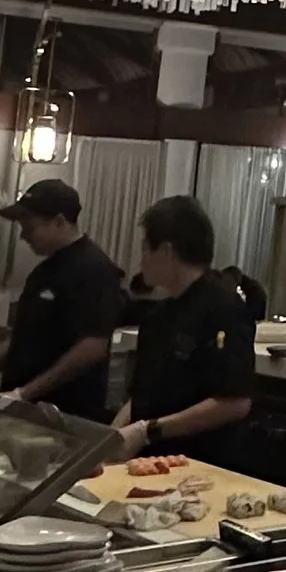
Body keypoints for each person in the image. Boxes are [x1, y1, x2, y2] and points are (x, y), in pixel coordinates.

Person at [114, 192, 257, 455]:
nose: (140, 260)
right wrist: (111, 439)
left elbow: (234, 402)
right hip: (149, 460)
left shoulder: (223, 307)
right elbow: (142, 397)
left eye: (145, 249)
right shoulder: (159, 314)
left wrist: (149, 431)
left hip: (198, 462)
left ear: (166, 251)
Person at [0, 177, 125, 425]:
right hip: (22, 406)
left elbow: (92, 347)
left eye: (30, 227)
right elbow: (24, 339)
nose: (23, 236)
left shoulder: (95, 270)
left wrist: (26, 393)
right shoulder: (43, 272)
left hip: (63, 414)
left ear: (59, 222)